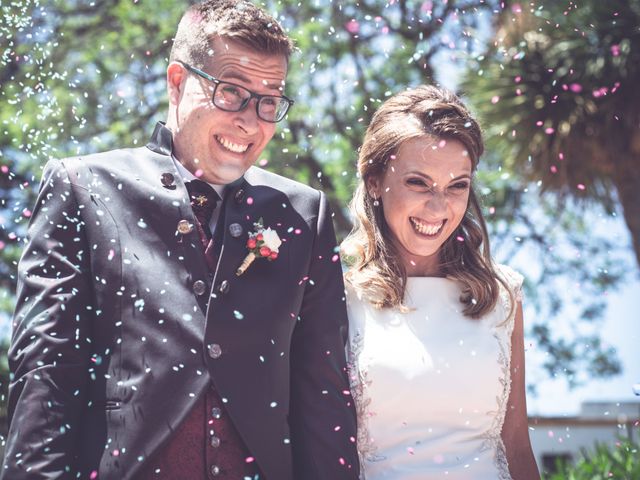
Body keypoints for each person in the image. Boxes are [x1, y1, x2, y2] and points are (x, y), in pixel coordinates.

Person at [2, 1, 359, 479]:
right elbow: (47, 373)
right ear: (176, 81)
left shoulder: (302, 214)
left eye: (269, 100)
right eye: (231, 92)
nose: (250, 122)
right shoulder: (84, 188)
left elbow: (323, 398)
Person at [341, 85, 540, 479]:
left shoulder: (502, 296)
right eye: (418, 183)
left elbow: (516, 442)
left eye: (456, 186)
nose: (438, 207)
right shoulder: (336, 295)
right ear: (376, 181)